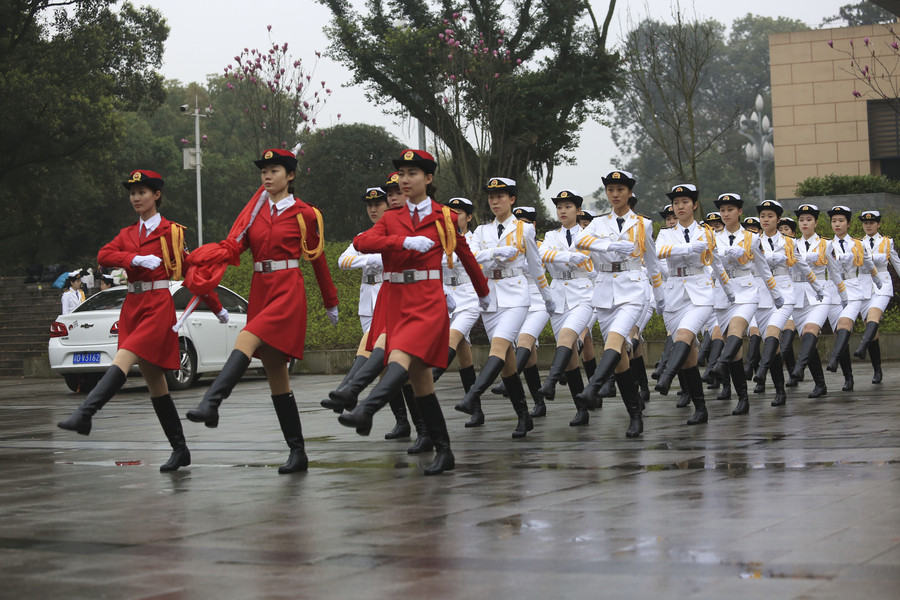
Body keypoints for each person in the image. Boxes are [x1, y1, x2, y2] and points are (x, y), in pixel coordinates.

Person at [57, 169, 226, 473]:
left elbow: (191, 273)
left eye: (142, 192)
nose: (136, 198)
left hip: (157, 306)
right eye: (132, 193)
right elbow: (104, 254)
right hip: (132, 306)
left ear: (156, 195)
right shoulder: (127, 234)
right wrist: (132, 259)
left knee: (123, 358)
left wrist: (216, 306)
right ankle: (180, 449)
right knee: (156, 384)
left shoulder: (171, 233)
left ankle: (86, 413)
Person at [184, 148, 339, 474]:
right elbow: (233, 248)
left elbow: (317, 259)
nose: (267, 176)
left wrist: (330, 300)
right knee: (277, 377)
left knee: (247, 337)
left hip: (287, 290)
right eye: (264, 171)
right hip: (261, 289)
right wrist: (197, 261)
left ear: (291, 176)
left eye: (275, 170)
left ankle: (212, 401)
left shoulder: (304, 214)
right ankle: (298, 452)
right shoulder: (253, 214)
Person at [338, 149, 489, 475]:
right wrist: (402, 243)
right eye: (401, 175)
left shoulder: (444, 218)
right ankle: (444, 450)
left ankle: (366, 408)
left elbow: (466, 257)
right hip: (399, 302)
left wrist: (484, 294)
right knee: (422, 386)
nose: (405, 181)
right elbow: (362, 243)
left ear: (429, 178)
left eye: (412, 174)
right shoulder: (392, 219)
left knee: (400, 358)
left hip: (428, 303)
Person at [454, 177, 556, 438]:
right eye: (491, 196)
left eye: (500, 196)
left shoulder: (525, 230)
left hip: (517, 296)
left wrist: (547, 297)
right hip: (490, 298)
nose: (495, 200)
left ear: (512, 199)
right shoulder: (481, 232)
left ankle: (473, 394)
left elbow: (534, 266)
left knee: (499, 347)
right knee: (508, 361)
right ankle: (523, 415)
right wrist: (493, 254)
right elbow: (472, 258)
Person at [573, 171, 665, 436]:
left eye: (620, 190)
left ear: (629, 193)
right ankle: (635, 414)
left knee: (615, 341)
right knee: (621, 359)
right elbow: (581, 240)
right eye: (611, 190)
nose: (615, 194)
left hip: (632, 288)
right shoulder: (599, 223)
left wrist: (659, 297)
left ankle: (593, 387)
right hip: (605, 290)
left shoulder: (642, 224)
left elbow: (652, 260)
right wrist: (611, 244)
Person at [652, 183, 733, 425]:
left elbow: (716, 263)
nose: (680, 207)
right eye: (676, 204)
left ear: (694, 205)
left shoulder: (706, 232)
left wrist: (728, 291)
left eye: (685, 202)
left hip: (700, 292)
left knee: (685, 335)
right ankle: (700, 407)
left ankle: (666, 375)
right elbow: (660, 252)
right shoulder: (666, 233)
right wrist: (688, 247)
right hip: (675, 292)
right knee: (687, 355)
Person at [336, 187, 411, 440]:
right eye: (369, 205)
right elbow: (343, 261)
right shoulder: (363, 237)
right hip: (368, 305)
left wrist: (372, 255)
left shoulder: (399, 233)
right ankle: (401, 421)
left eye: (378, 203)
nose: (373, 208)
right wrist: (370, 259)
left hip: (390, 301)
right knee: (383, 368)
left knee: (385, 360)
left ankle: (348, 392)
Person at [708, 193, 784, 415]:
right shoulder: (712, 237)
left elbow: (763, 268)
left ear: (739, 212)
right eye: (722, 210)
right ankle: (742, 397)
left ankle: (722, 362)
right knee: (735, 349)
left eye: (730, 210)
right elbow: (707, 266)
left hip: (747, 289)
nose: (725, 214)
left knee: (736, 330)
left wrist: (776, 294)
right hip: (722, 292)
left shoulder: (752, 238)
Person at [538, 190, 596, 425]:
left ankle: (551, 380)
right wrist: (569, 257)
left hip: (584, 294)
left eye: (568, 207)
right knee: (571, 357)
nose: (562, 211)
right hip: (559, 294)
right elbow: (543, 253)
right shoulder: (551, 235)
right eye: (559, 207)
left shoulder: (589, 234)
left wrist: (560, 257)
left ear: (578, 211)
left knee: (568, 336)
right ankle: (581, 408)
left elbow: (591, 260)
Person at [788, 203, 848, 398]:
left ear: (815, 222)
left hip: (821, 293)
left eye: (809, 220)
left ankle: (799, 367)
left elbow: (835, 272)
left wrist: (844, 296)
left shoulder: (826, 244)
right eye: (802, 220)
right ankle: (819, 384)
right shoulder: (790, 244)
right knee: (806, 339)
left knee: (810, 332)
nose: (804, 223)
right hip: (798, 296)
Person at [824, 205, 882, 391]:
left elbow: (870, 265)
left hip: (856, 289)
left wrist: (879, 285)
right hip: (834, 291)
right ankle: (848, 378)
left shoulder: (858, 244)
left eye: (841, 221)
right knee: (840, 332)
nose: (837, 224)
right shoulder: (825, 245)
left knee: (864, 328)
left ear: (848, 224)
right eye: (834, 221)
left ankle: (877, 369)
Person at [855, 210, 900, 383]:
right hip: (864, 285)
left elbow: (897, 264)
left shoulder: (887, 242)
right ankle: (877, 369)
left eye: (872, 222)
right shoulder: (856, 243)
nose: (868, 225)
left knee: (874, 315)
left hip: (882, 283)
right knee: (872, 330)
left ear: (878, 224)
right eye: (865, 223)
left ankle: (862, 346)